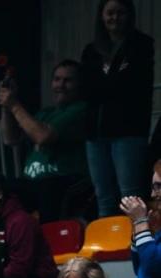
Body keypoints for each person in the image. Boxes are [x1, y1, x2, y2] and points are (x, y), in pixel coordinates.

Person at [81, 0, 154, 218]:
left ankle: (136, 237)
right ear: (101, 16)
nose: (114, 18)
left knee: (130, 194)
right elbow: (86, 89)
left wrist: (105, 84)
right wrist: (113, 80)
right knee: (104, 197)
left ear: (129, 15)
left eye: (120, 13)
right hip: (95, 132)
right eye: (110, 13)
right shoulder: (92, 50)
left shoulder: (140, 44)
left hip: (128, 131)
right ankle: (107, 238)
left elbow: (135, 86)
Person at [0, 59, 91, 221]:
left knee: (48, 189)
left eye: (68, 80)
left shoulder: (81, 109)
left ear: (80, 84)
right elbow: (10, 139)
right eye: (57, 79)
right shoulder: (46, 113)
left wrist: (14, 105)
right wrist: (6, 107)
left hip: (66, 180)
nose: (61, 85)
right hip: (33, 183)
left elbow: (43, 137)